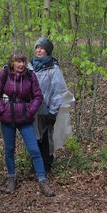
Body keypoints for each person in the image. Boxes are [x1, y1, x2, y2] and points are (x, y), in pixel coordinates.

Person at [0, 51, 54, 197]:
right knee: (9, 150)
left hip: (25, 118)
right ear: (12, 63)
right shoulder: (4, 75)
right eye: (18, 61)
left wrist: (30, 111)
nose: (21, 64)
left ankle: (42, 180)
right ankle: (11, 177)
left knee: (34, 150)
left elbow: (38, 96)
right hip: (7, 118)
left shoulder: (30, 76)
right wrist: (2, 110)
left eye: (23, 61)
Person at [30, 36, 72, 176]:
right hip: (32, 110)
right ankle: (35, 165)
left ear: (47, 51)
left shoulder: (53, 69)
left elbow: (58, 91)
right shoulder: (30, 66)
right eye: (37, 47)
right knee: (33, 137)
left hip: (47, 109)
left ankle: (46, 165)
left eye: (42, 48)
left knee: (46, 138)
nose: (39, 50)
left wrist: (53, 112)